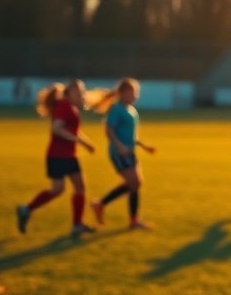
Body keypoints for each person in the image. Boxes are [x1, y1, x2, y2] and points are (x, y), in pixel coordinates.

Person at [15, 79, 99, 238]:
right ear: (69, 93)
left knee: (77, 187)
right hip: (58, 155)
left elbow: (72, 130)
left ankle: (77, 224)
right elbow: (56, 128)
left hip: (67, 155)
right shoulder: (65, 106)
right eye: (78, 91)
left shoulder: (70, 107)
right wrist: (77, 140)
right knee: (59, 190)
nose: (81, 94)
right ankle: (27, 209)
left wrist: (85, 143)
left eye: (82, 91)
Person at [89, 78, 156, 229]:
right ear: (123, 93)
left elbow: (131, 135)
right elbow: (109, 130)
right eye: (133, 92)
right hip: (119, 153)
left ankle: (101, 204)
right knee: (134, 183)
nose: (136, 95)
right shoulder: (116, 109)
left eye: (137, 92)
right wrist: (119, 147)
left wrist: (144, 146)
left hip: (130, 152)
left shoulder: (132, 110)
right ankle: (131, 219)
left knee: (135, 183)